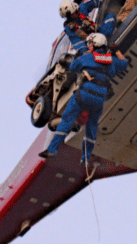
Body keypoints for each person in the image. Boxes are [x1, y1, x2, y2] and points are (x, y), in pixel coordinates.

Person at [39, 33, 128, 164]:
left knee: (67, 119)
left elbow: (73, 66)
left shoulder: (88, 57)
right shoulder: (111, 60)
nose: (89, 46)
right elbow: (124, 63)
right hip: (100, 97)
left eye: (90, 44)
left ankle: (52, 150)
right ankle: (85, 158)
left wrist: (82, 56)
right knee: (91, 128)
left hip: (85, 92)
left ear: (95, 44)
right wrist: (116, 51)